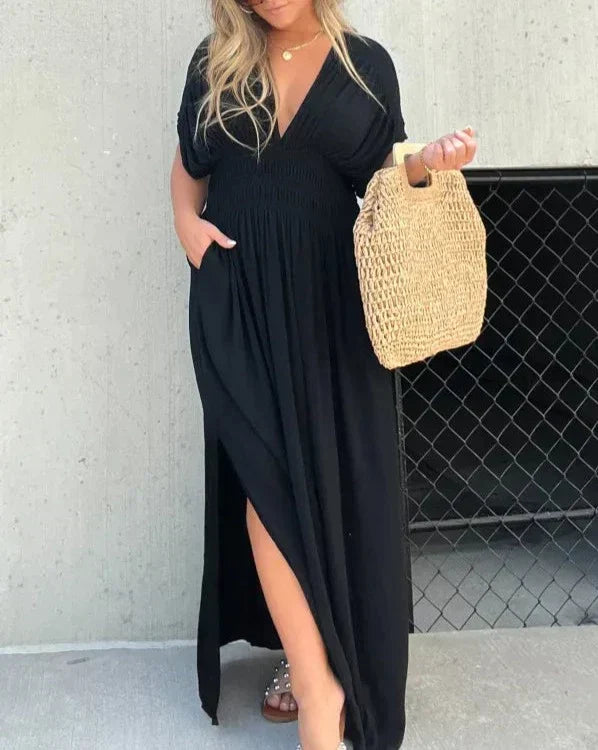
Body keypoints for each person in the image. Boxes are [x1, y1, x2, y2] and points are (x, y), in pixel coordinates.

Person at [170, 2, 477, 749]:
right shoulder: (215, 62)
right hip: (237, 297)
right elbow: (189, 164)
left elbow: (383, 180)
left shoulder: (364, 65)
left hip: (330, 304)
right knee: (265, 485)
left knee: (331, 485)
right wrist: (187, 227)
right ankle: (317, 691)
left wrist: (425, 164)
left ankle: (316, 661)